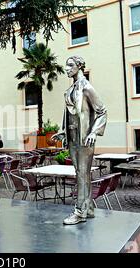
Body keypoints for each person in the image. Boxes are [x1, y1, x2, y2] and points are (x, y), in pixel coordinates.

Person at [52, 56, 107, 225]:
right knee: (80, 173)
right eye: (66, 65)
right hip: (73, 137)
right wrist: (63, 132)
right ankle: (88, 208)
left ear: (79, 66)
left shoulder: (87, 87)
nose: (67, 68)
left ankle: (80, 212)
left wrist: (94, 132)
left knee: (83, 174)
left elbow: (102, 111)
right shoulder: (70, 90)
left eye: (70, 65)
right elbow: (69, 114)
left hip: (85, 139)